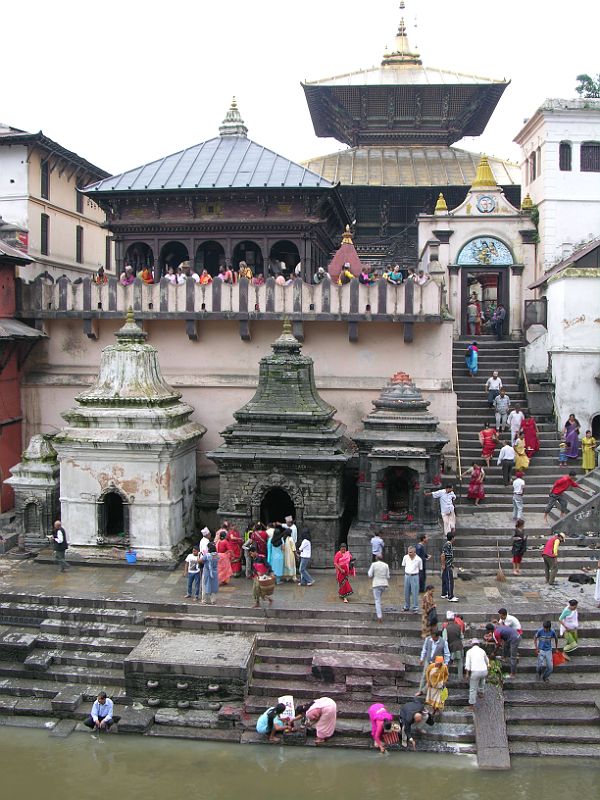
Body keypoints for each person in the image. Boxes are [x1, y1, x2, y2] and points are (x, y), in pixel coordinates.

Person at [417, 630, 450, 696]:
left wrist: (446, 663)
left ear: (437, 636)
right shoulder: (428, 639)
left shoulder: (444, 642)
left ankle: (424, 691)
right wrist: (422, 658)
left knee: (432, 678)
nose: (432, 638)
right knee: (424, 676)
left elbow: (447, 654)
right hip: (428, 660)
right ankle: (420, 690)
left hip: (437, 663)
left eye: (434, 637)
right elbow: (424, 649)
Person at [464, 639, 489, 709]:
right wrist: (488, 667)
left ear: (472, 645)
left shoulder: (469, 652)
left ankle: (471, 705)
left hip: (475, 672)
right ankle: (481, 692)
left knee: (473, 689)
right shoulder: (482, 651)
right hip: (484, 671)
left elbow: (468, 664)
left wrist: (467, 674)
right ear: (478, 644)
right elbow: (487, 661)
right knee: (482, 679)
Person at [368, 553, 390, 623]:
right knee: (378, 598)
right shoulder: (386, 565)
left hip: (376, 584)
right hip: (384, 584)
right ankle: (379, 610)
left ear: (376, 558)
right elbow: (388, 576)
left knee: (377, 600)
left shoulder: (373, 565)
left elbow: (370, 574)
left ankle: (379, 616)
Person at [442, 610, 465, 677]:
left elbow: (444, 640)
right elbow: (461, 636)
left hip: (450, 647)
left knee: (448, 662)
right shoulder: (458, 626)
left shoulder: (446, 628)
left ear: (447, 619)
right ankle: (460, 678)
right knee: (460, 663)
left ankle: (446, 676)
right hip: (459, 646)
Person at [401, 546, 423, 612]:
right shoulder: (405, 557)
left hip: (415, 576)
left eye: (410, 552)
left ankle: (415, 607)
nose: (409, 554)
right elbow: (404, 565)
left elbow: (420, 568)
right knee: (406, 592)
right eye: (408, 552)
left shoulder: (419, 559)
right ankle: (406, 606)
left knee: (415, 592)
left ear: (414, 552)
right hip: (407, 575)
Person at [440, 533, 458, 602]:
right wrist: (443, 564)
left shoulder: (448, 544)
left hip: (448, 564)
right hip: (447, 565)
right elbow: (442, 555)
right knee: (450, 581)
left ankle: (444, 593)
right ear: (452, 538)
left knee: (445, 579)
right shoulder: (448, 545)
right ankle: (450, 596)